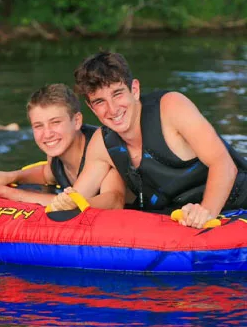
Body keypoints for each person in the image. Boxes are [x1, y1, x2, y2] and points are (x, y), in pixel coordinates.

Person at [48, 51, 247, 228]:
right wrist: (65, 203)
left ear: (134, 90)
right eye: (100, 102)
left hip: (236, 207)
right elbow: (79, 196)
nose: (112, 109)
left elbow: (224, 164)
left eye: (117, 94)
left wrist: (206, 211)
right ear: (91, 108)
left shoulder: (171, 108)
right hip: (178, 218)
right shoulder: (102, 143)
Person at [0, 84, 125, 207]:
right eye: (38, 126)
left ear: (77, 121)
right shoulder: (56, 154)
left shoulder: (104, 148)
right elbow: (47, 173)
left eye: (55, 122)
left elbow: (114, 200)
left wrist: (3, 192)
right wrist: (11, 176)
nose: (47, 134)